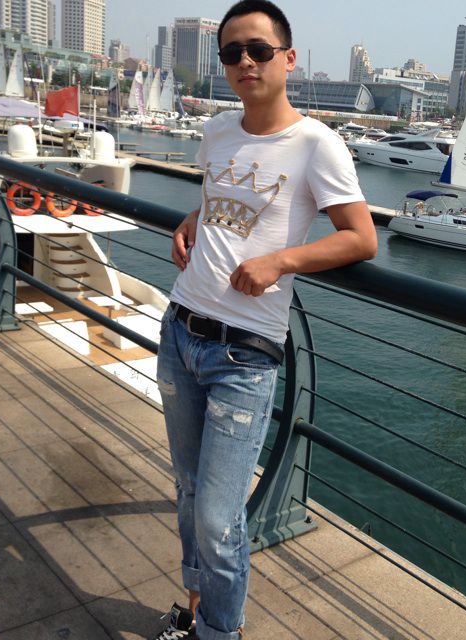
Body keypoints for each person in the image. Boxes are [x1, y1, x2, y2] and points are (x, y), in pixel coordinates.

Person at [154, 1, 377, 638]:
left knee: (218, 516)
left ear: (288, 58)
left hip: (244, 354)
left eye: (258, 49)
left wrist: (280, 261)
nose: (245, 62)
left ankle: (220, 631)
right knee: (189, 491)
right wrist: (192, 219)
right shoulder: (218, 130)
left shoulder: (317, 144)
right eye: (232, 52)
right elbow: (220, 199)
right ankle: (194, 609)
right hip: (181, 329)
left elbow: (361, 238)